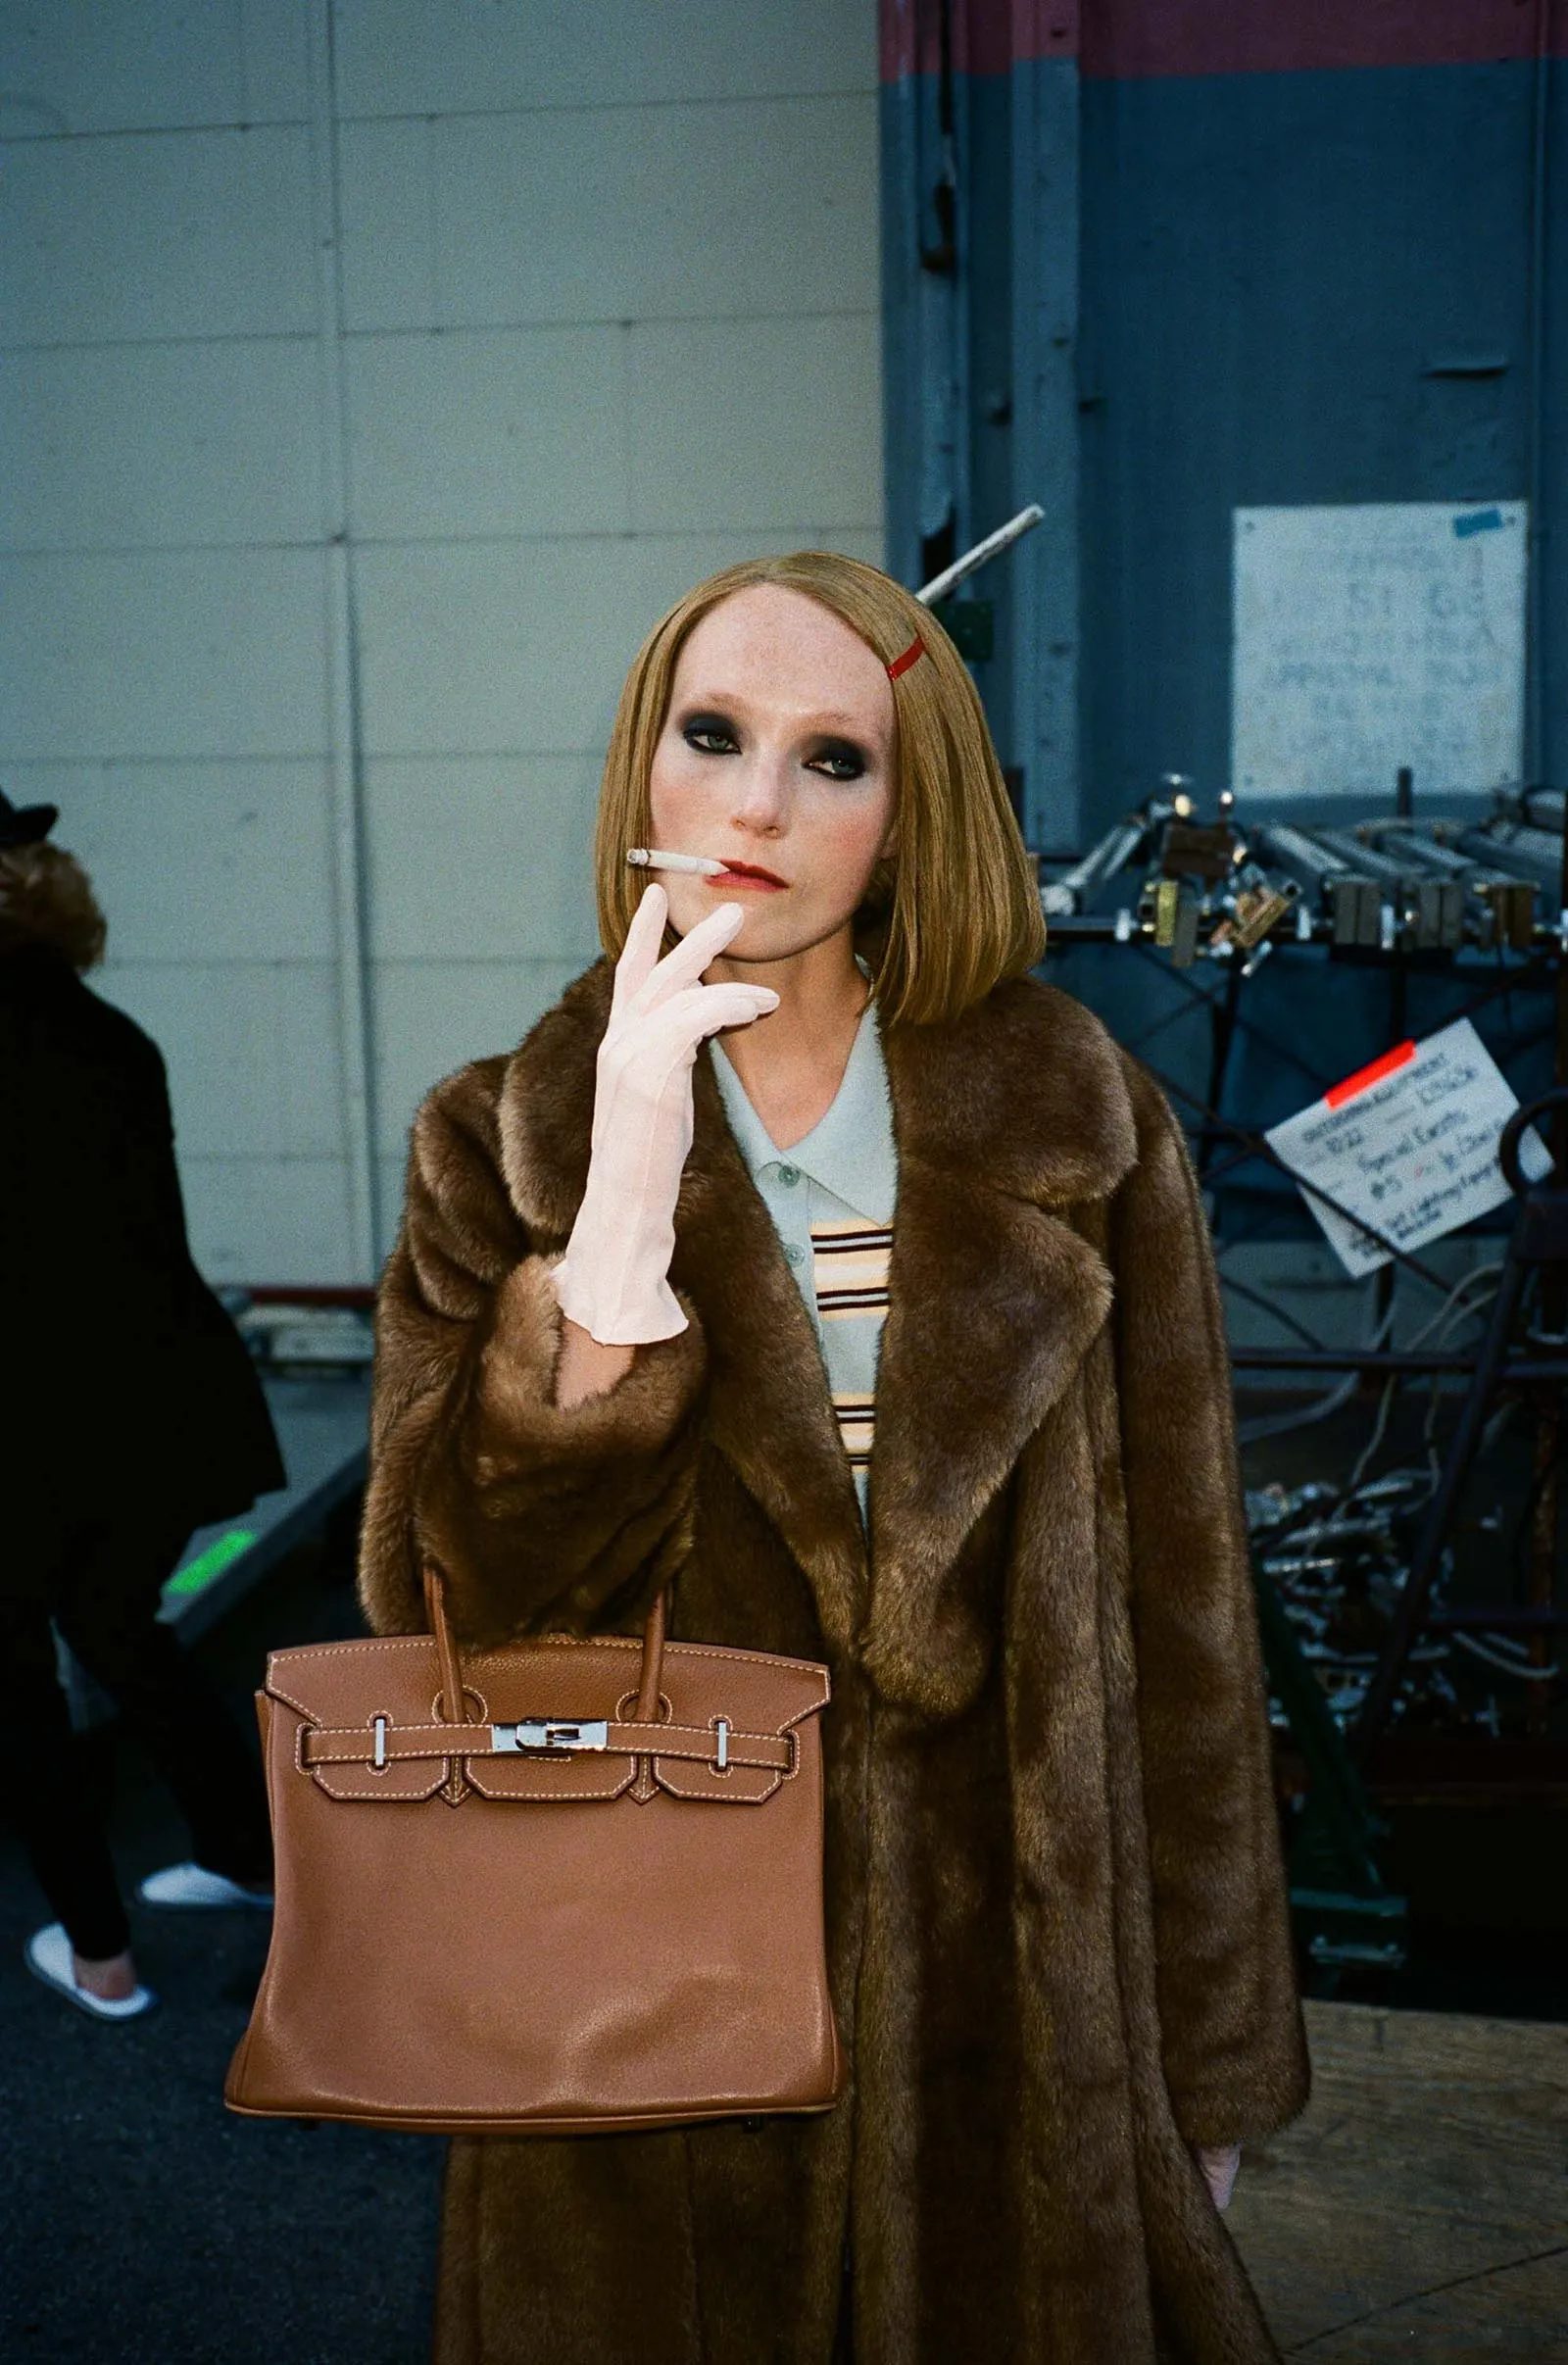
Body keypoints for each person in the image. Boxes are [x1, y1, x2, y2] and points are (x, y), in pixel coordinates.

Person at [361, 554, 1309, 2363]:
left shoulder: (1082, 1116)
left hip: (1014, 2041)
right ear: (644, 761)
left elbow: (1190, 1630)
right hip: (638, 2038)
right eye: (713, 734)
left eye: (833, 757)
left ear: (911, 809)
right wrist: (621, 1203)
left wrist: (1212, 2061)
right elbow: (459, 1611)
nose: (756, 807)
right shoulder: (504, 1137)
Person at [0, 794, 284, 2019]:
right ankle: (248, 1857)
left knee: (19, 1675)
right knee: (120, 1628)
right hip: (152, 1399)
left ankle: (101, 1956)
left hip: (28, 1410)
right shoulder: (111, 1034)